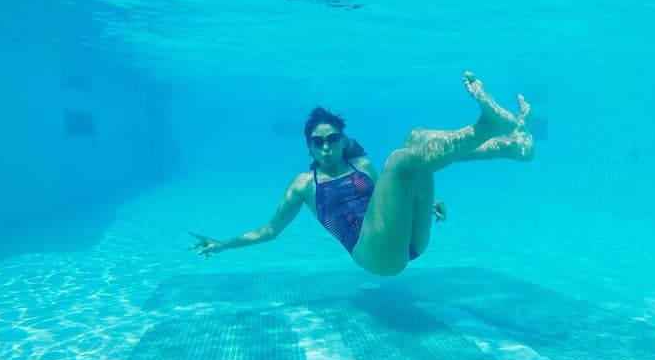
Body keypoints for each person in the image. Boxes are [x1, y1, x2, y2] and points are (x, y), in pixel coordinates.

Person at [189, 71, 533, 276]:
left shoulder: (362, 166)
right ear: (309, 147)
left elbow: (388, 203)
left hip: (410, 240)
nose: (326, 147)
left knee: (415, 139)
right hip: (375, 257)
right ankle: (485, 127)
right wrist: (222, 245)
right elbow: (270, 230)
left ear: (342, 141)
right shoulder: (304, 185)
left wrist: (425, 204)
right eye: (318, 142)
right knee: (401, 159)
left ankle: (509, 146)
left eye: (332, 139)